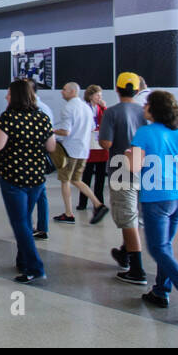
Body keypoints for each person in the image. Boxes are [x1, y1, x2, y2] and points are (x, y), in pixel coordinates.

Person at [128, 90, 178, 322]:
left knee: (158, 248)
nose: (144, 108)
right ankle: (160, 291)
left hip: (157, 198)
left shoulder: (145, 133)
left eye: (147, 105)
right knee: (166, 246)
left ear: (155, 109)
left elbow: (133, 167)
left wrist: (128, 154)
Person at [0, 79, 56, 282]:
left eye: (8, 93)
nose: (6, 96)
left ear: (16, 96)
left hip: (13, 179)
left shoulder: (8, 118)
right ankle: (23, 259)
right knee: (25, 219)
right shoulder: (42, 118)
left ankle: (35, 267)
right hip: (36, 178)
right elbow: (52, 147)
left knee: (19, 223)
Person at [100, 72, 147, 284]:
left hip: (121, 168)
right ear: (137, 91)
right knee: (136, 214)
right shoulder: (145, 112)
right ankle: (124, 252)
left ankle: (136, 269)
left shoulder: (111, 112)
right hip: (145, 168)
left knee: (127, 218)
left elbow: (106, 143)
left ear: (117, 89)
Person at [51, 82, 107, 224]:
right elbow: (93, 127)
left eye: (63, 89)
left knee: (65, 181)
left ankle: (68, 213)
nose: (61, 92)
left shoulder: (68, 108)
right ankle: (98, 204)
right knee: (76, 180)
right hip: (83, 149)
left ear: (72, 91)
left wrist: (51, 130)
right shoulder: (86, 108)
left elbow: (66, 131)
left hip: (70, 150)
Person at [78, 85, 109, 213]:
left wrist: (104, 106)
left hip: (100, 144)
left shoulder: (102, 108)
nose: (99, 98)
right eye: (97, 95)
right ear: (90, 96)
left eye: (101, 96)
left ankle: (99, 202)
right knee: (86, 175)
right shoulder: (84, 107)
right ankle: (83, 202)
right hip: (89, 144)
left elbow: (107, 121)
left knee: (101, 176)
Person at [31, 82, 54, 240]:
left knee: (36, 193)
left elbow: (49, 140)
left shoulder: (41, 109)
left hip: (35, 159)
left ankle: (39, 227)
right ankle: (40, 226)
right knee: (39, 193)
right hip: (34, 158)